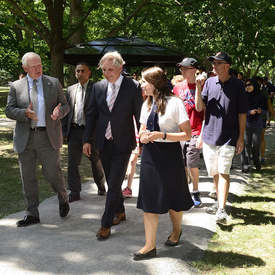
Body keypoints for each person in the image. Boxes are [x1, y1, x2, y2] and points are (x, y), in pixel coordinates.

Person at [134, 66, 193, 260]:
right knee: (149, 200)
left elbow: (187, 133)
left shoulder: (175, 103)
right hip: (150, 155)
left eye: (144, 81)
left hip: (170, 155)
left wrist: (163, 135)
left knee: (174, 200)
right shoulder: (147, 104)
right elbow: (143, 126)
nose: (141, 85)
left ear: (155, 83)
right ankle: (149, 246)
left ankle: (176, 231)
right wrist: (142, 135)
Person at [83, 51, 143, 239]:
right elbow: (91, 115)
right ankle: (121, 211)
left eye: (110, 69)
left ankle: (105, 224)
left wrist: (142, 139)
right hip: (103, 142)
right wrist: (86, 140)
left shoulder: (132, 87)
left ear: (120, 68)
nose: (107, 73)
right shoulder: (98, 87)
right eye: (104, 70)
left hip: (123, 143)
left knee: (115, 182)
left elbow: (139, 115)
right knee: (112, 181)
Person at [5, 52, 70, 227]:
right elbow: (9, 110)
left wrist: (59, 112)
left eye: (40, 65)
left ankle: (63, 199)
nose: (38, 69)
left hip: (48, 137)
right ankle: (32, 213)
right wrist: (24, 113)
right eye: (33, 66)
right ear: (25, 68)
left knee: (52, 173)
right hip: (25, 137)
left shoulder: (53, 82)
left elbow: (65, 105)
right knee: (27, 177)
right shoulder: (16, 86)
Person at [195, 51, 248, 224]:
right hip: (210, 136)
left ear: (227, 66)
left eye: (218, 63)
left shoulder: (238, 85)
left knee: (224, 171)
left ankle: (222, 210)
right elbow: (199, 108)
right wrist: (197, 86)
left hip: (229, 136)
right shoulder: (209, 83)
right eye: (213, 63)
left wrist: (241, 137)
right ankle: (219, 203)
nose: (214, 66)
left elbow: (242, 113)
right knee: (215, 172)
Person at [62, 62, 106, 203]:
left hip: (91, 131)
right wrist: (64, 131)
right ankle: (74, 192)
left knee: (96, 161)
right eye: (77, 71)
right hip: (74, 130)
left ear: (89, 73)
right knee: (72, 163)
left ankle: (101, 185)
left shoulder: (97, 88)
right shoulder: (70, 90)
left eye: (82, 71)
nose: (79, 73)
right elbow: (66, 112)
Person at [173, 57, 204, 207]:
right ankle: (184, 191)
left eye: (185, 68)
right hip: (179, 131)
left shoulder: (203, 85)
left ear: (194, 70)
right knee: (181, 164)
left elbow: (199, 109)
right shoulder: (177, 87)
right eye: (181, 69)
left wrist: (198, 87)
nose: (182, 71)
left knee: (192, 163)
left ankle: (195, 191)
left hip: (196, 130)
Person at [241, 78, 267, 172]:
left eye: (249, 85)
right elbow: (240, 109)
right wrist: (249, 112)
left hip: (258, 124)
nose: (248, 87)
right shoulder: (244, 96)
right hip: (246, 123)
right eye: (246, 85)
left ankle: (256, 162)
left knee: (255, 145)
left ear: (254, 85)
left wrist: (260, 111)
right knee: (246, 144)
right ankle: (246, 165)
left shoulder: (261, 96)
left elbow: (265, 110)